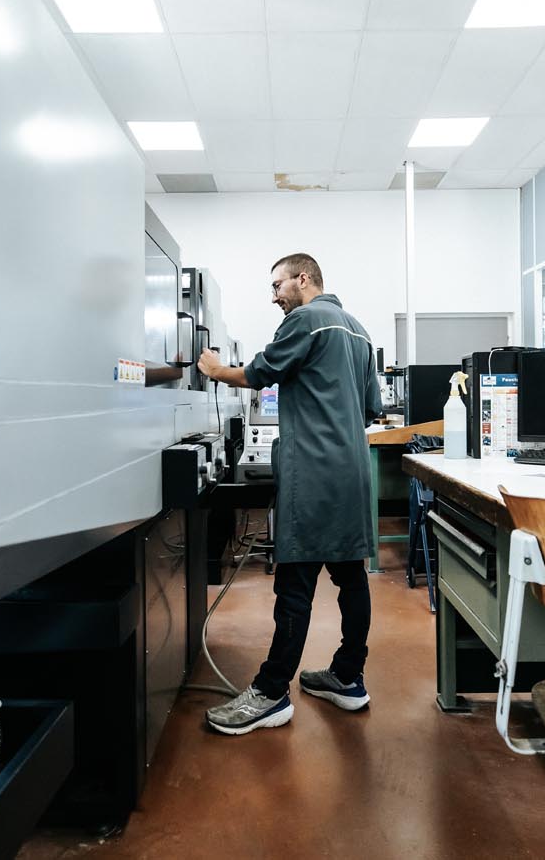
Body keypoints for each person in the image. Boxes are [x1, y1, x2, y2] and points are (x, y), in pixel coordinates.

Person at [196, 253, 383, 736]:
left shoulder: (305, 319)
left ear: (304, 278)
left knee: (294, 586)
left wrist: (215, 369)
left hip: (314, 474)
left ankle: (271, 692)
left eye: (278, 284)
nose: (274, 295)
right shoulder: (359, 330)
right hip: (353, 473)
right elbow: (370, 408)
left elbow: (258, 373)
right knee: (351, 577)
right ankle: (347, 677)